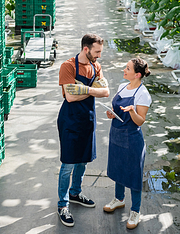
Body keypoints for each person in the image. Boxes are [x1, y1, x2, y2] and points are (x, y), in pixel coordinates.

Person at [56, 34, 110, 227]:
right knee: (68, 164)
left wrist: (82, 88)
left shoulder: (96, 66)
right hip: (70, 120)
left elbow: (105, 91)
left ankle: (75, 192)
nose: (99, 56)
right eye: (97, 52)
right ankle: (62, 204)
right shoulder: (68, 66)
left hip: (87, 119)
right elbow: (69, 97)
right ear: (86, 49)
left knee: (83, 161)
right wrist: (91, 90)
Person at [104, 57, 152, 229]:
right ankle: (119, 199)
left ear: (137, 74)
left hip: (132, 139)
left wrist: (132, 111)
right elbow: (117, 110)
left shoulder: (143, 94)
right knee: (117, 168)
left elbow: (140, 121)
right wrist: (111, 114)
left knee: (133, 174)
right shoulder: (122, 87)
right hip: (116, 135)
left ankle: (135, 211)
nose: (124, 70)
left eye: (128, 68)